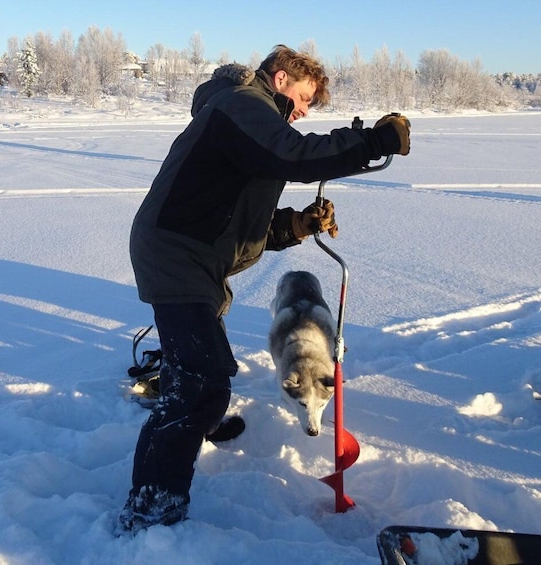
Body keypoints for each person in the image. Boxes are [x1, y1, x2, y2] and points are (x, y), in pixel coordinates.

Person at [118, 44, 410, 533]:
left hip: (194, 254)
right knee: (198, 384)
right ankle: (150, 508)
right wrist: (371, 142)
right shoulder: (243, 105)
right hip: (176, 254)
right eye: (302, 97)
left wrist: (298, 223)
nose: (303, 111)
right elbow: (295, 156)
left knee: (199, 379)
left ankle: (199, 421)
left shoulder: (248, 125)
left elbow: (243, 227)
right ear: (279, 79)